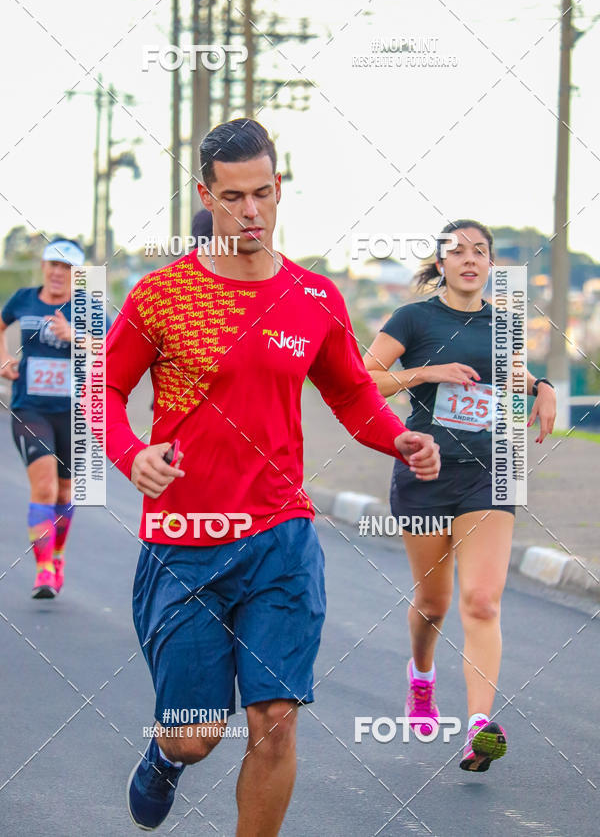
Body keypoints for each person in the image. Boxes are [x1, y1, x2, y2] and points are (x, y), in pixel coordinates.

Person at [103, 118, 441, 833]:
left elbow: (350, 394)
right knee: (195, 735)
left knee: (275, 720)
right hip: (185, 539)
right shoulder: (162, 296)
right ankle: (167, 758)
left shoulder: (314, 298)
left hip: (279, 537)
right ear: (206, 195)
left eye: (262, 193)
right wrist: (132, 453)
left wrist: (401, 439)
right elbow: (98, 391)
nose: (250, 211)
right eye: (232, 197)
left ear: (278, 188)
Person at [364, 220, 556, 773]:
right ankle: (421, 678)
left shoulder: (505, 323)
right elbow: (364, 376)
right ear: (441, 263)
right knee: (434, 604)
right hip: (425, 471)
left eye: (480, 252)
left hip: (489, 474)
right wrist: (429, 371)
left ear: (491, 264)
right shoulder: (414, 318)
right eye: (458, 252)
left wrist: (541, 388)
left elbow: (510, 376)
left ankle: (478, 727)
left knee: (481, 601)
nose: (470, 259)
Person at [0, 237, 86, 599]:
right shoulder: (23, 298)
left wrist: (77, 336)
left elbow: (116, 344)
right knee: (45, 487)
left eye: (66, 267)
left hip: (72, 414)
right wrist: (3, 359)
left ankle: (58, 554)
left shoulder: (88, 308)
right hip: (29, 408)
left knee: (65, 492)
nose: (57, 272)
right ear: (43, 266)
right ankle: (44, 570)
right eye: (53, 264)